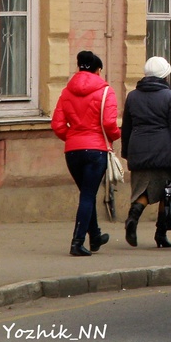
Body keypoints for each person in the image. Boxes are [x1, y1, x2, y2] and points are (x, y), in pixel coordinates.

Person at [51, 50, 121, 257]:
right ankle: (77, 242)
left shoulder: (66, 92)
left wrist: (72, 138)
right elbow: (109, 123)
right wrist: (115, 136)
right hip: (95, 150)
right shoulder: (106, 91)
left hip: (72, 151)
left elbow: (57, 125)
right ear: (98, 69)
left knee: (86, 194)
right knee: (88, 196)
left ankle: (96, 235)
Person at [121, 56, 171, 248]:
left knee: (142, 190)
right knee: (166, 192)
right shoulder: (170, 97)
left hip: (139, 151)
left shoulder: (133, 96)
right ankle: (160, 234)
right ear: (164, 76)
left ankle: (133, 217)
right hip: (165, 153)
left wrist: (127, 152)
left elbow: (126, 127)